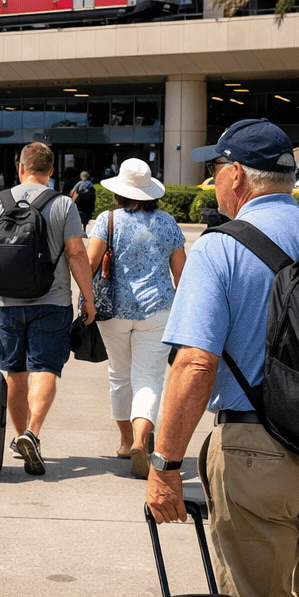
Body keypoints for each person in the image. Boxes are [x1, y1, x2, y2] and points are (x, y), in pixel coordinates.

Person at [146, 119, 299, 597]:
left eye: (215, 169)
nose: (214, 180)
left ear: (236, 174)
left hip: (253, 451)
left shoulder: (218, 248)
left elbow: (195, 363)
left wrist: (165, 466)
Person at [0, 141, 96, 475]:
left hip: (7, 303)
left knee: (15, 371)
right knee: (46, 368)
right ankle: (32, 433)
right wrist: (88, 298)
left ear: (20, 167)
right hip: (51, 302)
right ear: (51, 170)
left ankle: (17, 436)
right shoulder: (63, 205)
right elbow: (78, 254)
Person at [85, 159, 186, 478]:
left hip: (112, 310)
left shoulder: (107, 220)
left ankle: (125, 440)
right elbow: (181, 272)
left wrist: (84, 302)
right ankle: (142, 441)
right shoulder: (168, 222)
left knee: (119, 374)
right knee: (149, 377)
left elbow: (88, 265)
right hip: (158, 310)